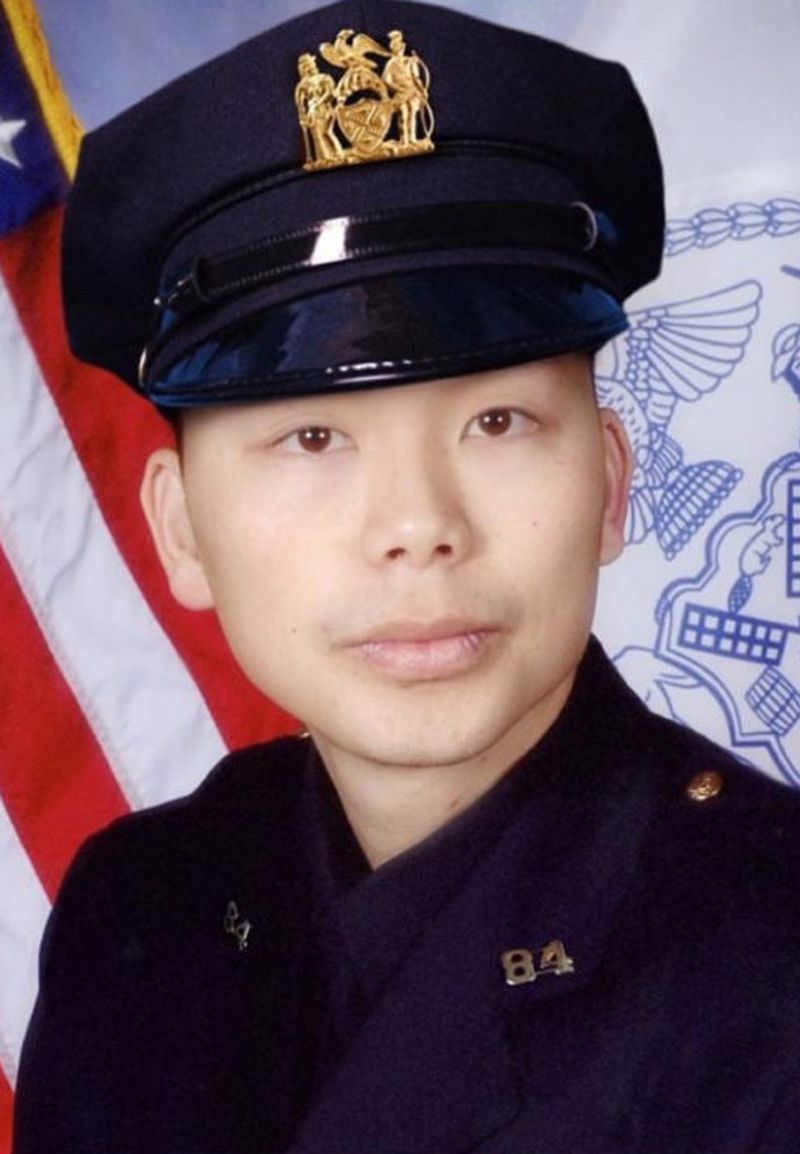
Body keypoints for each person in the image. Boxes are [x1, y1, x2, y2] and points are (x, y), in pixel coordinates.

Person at [12, 1, 800, 1152]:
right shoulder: (137, 911)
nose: (417, 526)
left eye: (495, 420)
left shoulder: (773, 957)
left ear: (609, 482)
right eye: (313, 437)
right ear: (179, 531)